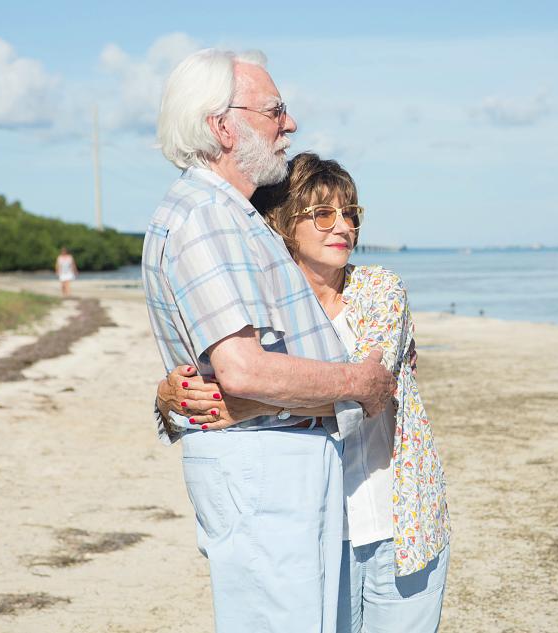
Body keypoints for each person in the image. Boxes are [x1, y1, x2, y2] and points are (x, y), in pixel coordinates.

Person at [142, 49, 395, 633]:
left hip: (281, 461)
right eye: (275, 110)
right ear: (221, 126)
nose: (291, 124)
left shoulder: (233, 212)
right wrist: (358, 382)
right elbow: (243, 371)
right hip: (266, 466)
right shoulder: (205, 214)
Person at [157, 153, 451, 633]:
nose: (343, 227)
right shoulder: (266, 310)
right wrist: (169, 395)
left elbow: (368, 388)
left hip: (402, 525)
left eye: (350, 213)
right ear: (284, 222)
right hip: (313, 529)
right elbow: (210, 386)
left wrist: (244, 401)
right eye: (323, 213)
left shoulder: (379, 290)